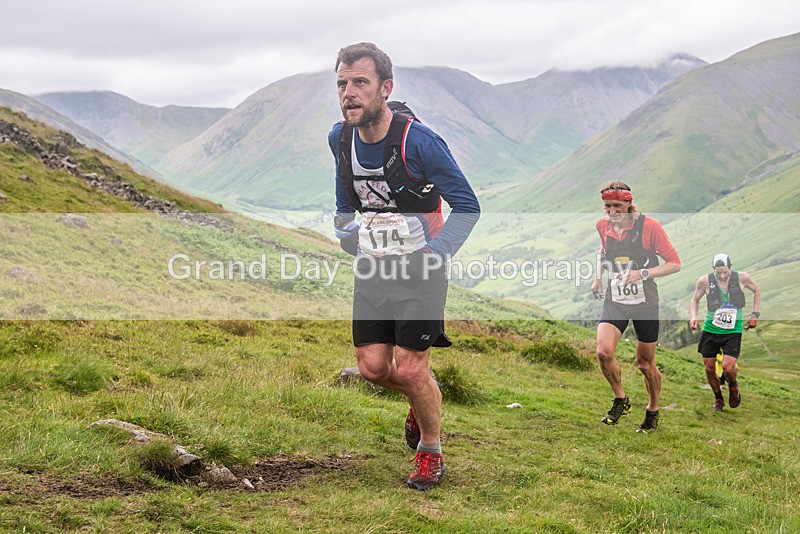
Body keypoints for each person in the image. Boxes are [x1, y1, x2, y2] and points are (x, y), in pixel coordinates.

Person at [328, 43, 480, 490]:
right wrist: (345, 232)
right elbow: (344, 192)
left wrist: (435, 255)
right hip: (373, 267)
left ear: (385, 88)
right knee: (373, 370)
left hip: (421, 269)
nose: (349, 93)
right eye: (342, 84)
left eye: (360, 82)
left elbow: (467, 206)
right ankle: (421, 398)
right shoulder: (340, 138)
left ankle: (430, 451)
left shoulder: (421, 142)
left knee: (413, 369)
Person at [590, 181, 681, 432]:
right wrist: (598, 277)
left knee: (645, 364)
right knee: (603, 352)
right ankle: (621, 399)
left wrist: (641, 274)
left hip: (645, 303)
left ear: (629, 204)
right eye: (607, 207)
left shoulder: (650, 227)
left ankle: (653, 410)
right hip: (616, 300)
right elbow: (602, 251)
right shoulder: (602, 226)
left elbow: (674, 263)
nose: (611, 212)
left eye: (617, 206)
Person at [689, 253, 761, 411]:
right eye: (718, 272)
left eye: (725, 272)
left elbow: (756, 290)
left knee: (728, 367)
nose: (721, 275)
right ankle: (718, 398)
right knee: (709, 368)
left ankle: (733, 386)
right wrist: (694, 317)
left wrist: (755, 314)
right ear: (713, 269)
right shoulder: (704, 281)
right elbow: (695, 299)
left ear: (731, 267)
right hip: (711, 329)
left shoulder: (742, 278)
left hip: (732, 330)